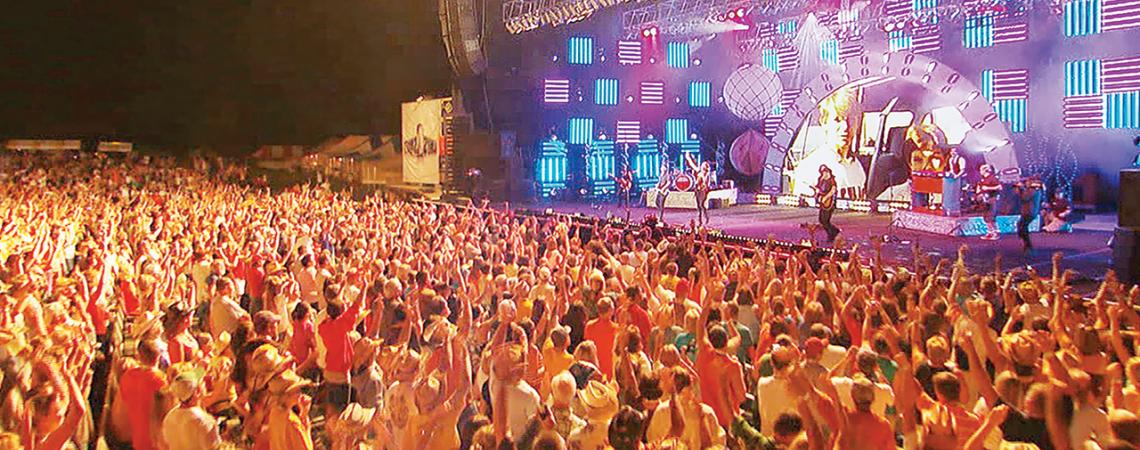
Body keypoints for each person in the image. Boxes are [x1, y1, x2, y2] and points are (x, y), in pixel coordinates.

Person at [1013, 176, 1042, 252]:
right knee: (1021, 226)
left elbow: (1025, 198)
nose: (1026, 183)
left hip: (1030, 212)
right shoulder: (1031, 190)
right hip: (1028, 211)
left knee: (1022, 226)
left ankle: (1027, 244)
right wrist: (1019, 189)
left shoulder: (1033, 190)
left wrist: (1022, 188)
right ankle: (1026, 244)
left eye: (1027, 182)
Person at [814, 165, 840, 242]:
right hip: (823, 202)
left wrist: (826, 198)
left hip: (829, 202)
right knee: (821, 220)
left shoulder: (832, 180)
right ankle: (834, 231)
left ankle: (831, 234)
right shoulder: (821, 179)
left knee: (825, 220)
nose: (824, 174)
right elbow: (818, 189)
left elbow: (833, 190)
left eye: (825, 172)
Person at [976, 164, 1002, 240]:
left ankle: (995, 233)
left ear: (985, 170)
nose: (980, 171)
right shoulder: (982, 179)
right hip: (984, 200)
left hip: (992, 199)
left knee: (991, 217)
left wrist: (988, 188)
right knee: (986, 217)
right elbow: (980, 188)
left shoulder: (992, 178)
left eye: (981, 170)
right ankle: (990, 232)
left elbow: (999, 187)